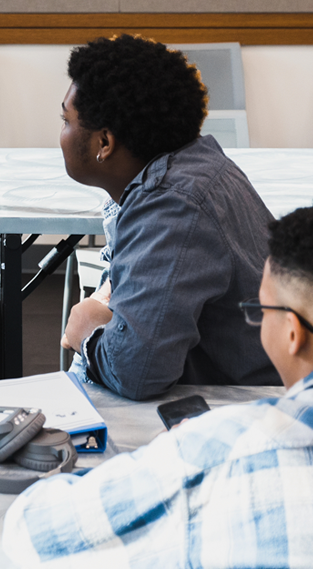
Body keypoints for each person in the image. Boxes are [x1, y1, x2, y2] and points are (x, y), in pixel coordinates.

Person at [4, 199, 313, 567]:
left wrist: (170, 455)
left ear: (292, 333)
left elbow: (31, 529)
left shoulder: (220, 449)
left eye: (261, 310)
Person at [58, 34, 279, 399]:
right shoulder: (195, 165)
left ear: (105, 143)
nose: (62, 133)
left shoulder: (172, 205)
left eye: (66, 120)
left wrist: (86, 330)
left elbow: (137, 372)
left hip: (248, 404)